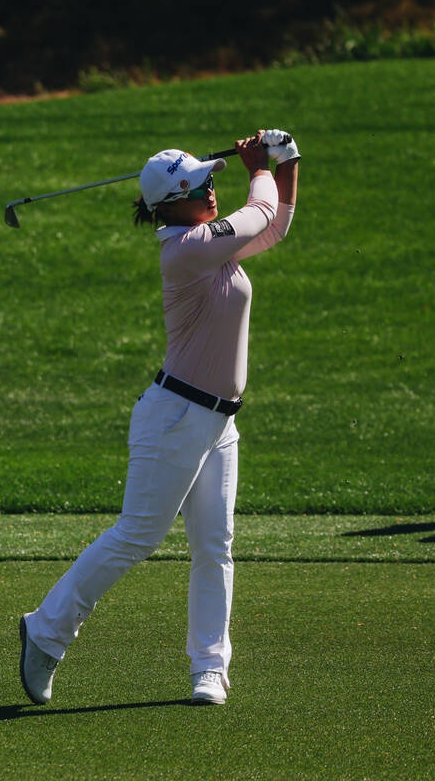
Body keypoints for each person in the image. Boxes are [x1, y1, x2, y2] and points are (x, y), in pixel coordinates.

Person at [18, 129, 300, 706]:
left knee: (215, 544)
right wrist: (258, 166)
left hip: (219, 421)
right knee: (137, 535)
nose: (211, 189)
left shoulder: (206, 242)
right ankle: (45, 631)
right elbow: (260, 208)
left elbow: (272, 227)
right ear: (173, 204)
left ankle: (208, 668)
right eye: (202, 185)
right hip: (176, 416)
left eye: (210, 180)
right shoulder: (188, 250)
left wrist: (287, 160)